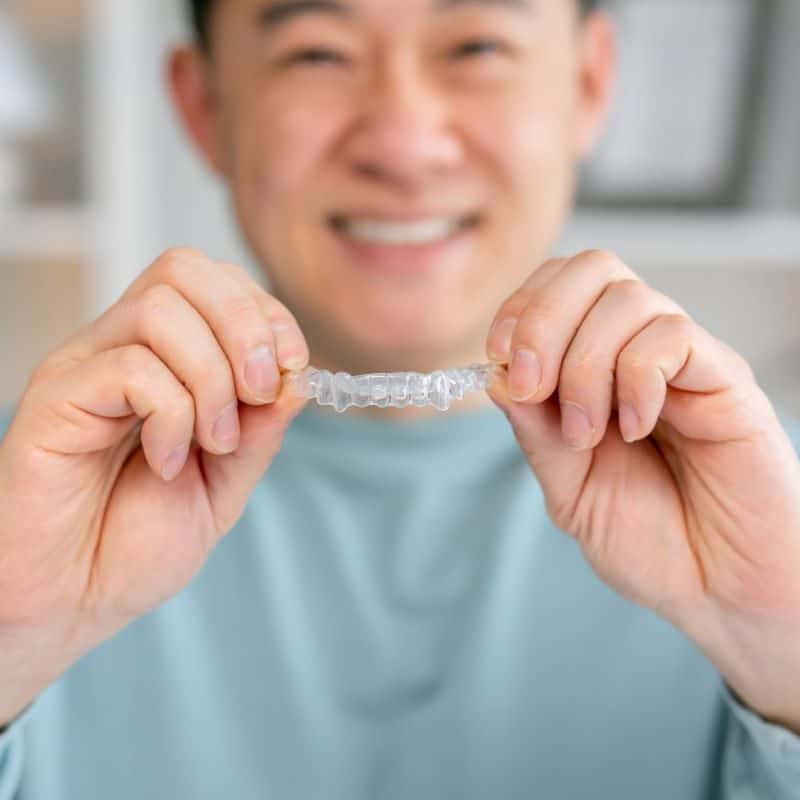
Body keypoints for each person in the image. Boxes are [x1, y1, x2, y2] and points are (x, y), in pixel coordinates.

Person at [1, 0, 799, 796]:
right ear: (204, 105)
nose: (405, 144)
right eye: (317, 53)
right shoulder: (28, 505)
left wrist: (782, 654)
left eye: (477, 45)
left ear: (589, 82)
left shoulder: (772, 517)